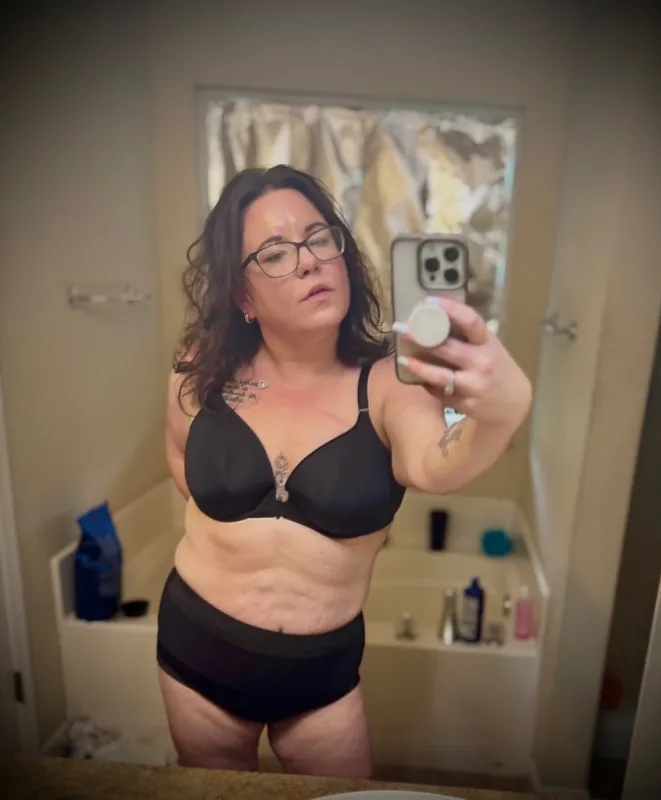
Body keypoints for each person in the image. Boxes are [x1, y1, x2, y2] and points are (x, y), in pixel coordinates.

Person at [158, 164, 532, 778]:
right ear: (243, 297)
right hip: (197, 652)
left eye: (319, 238)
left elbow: (435, 466)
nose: (309, 261)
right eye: (275, 253)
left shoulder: (389, 381)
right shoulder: (200, 367)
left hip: (320, 677)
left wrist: (501, 413)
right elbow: (178, 457)